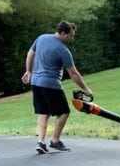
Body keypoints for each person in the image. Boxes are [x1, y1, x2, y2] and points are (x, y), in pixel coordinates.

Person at [21, 20, 93, 154]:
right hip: (51, 85)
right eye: (71, 35)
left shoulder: (41, 38)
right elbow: (74, 73)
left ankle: (40, 142)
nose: (72, 38)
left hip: (36, 82)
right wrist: (86, 89)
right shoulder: (63, 50)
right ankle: (55, 140)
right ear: (63, 33)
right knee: (64, 112)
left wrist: (28, 71)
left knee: (44, 113)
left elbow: (30, 54)